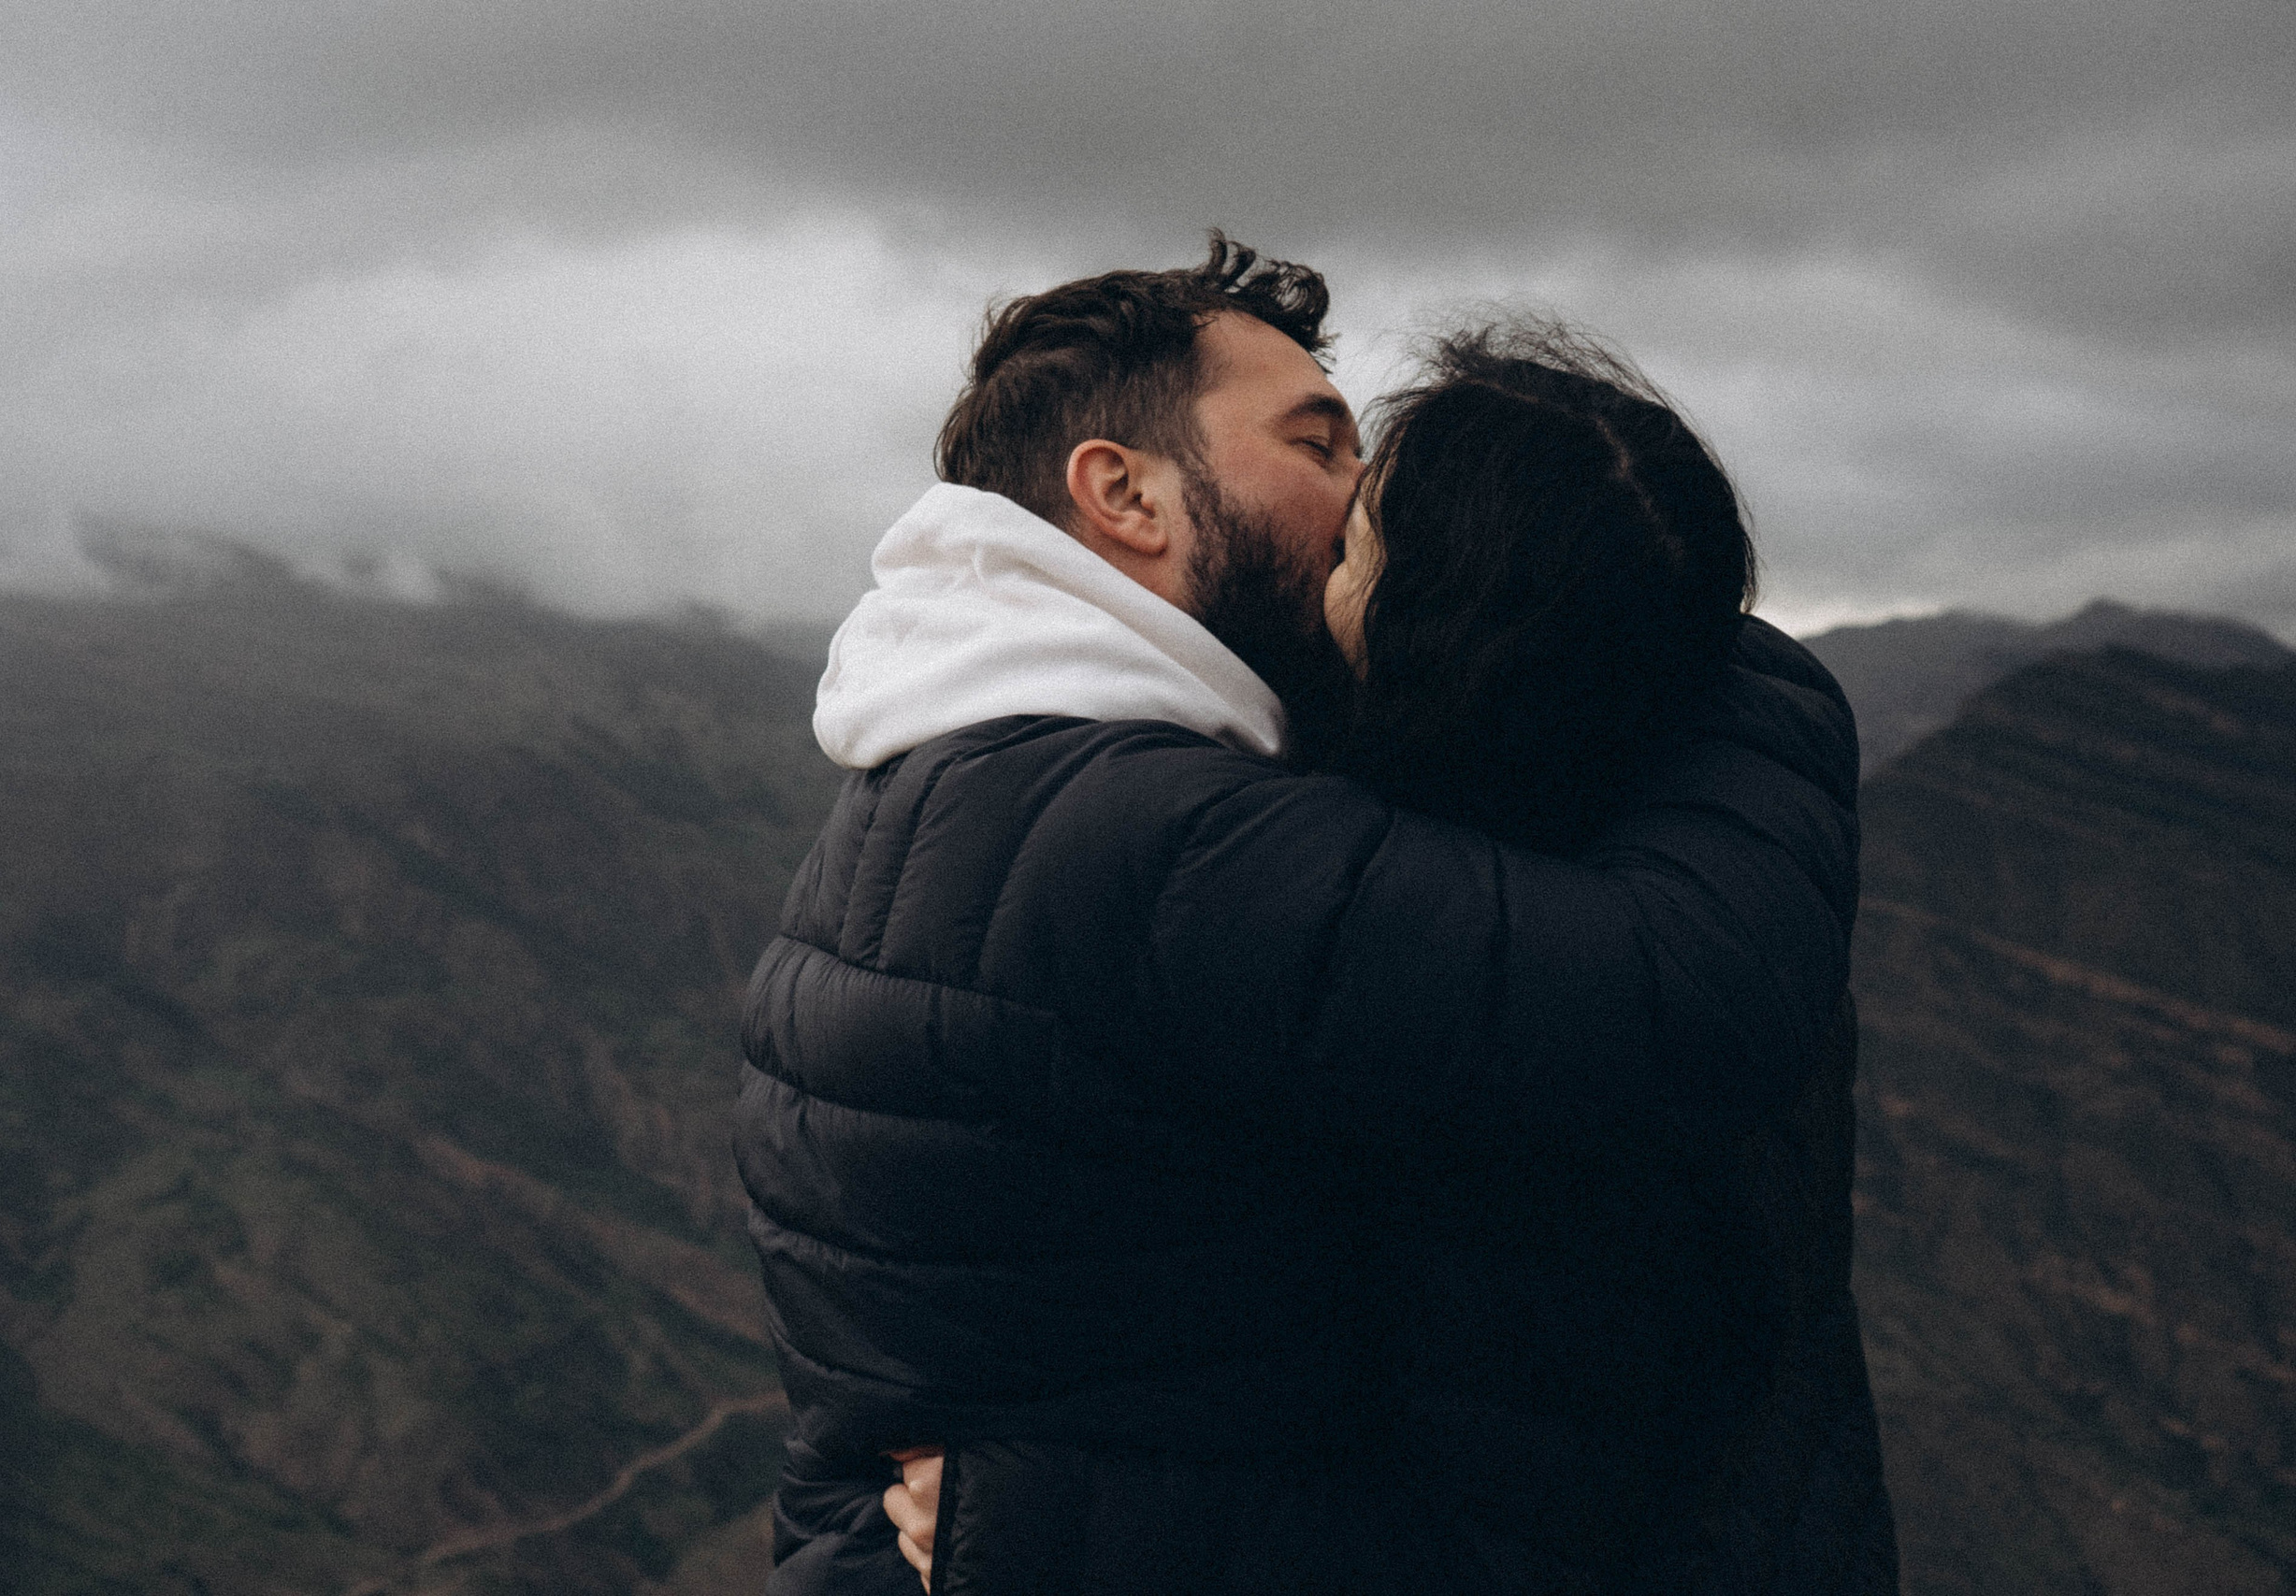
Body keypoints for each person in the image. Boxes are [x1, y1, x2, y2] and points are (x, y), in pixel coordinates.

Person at [734, 235, 1893, 1592]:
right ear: (1127, 495)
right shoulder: (1157, 837)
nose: (1358, 502)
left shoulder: (958, 761)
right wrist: (1657, 600)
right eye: (1319, 442)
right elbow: (1687, 987)